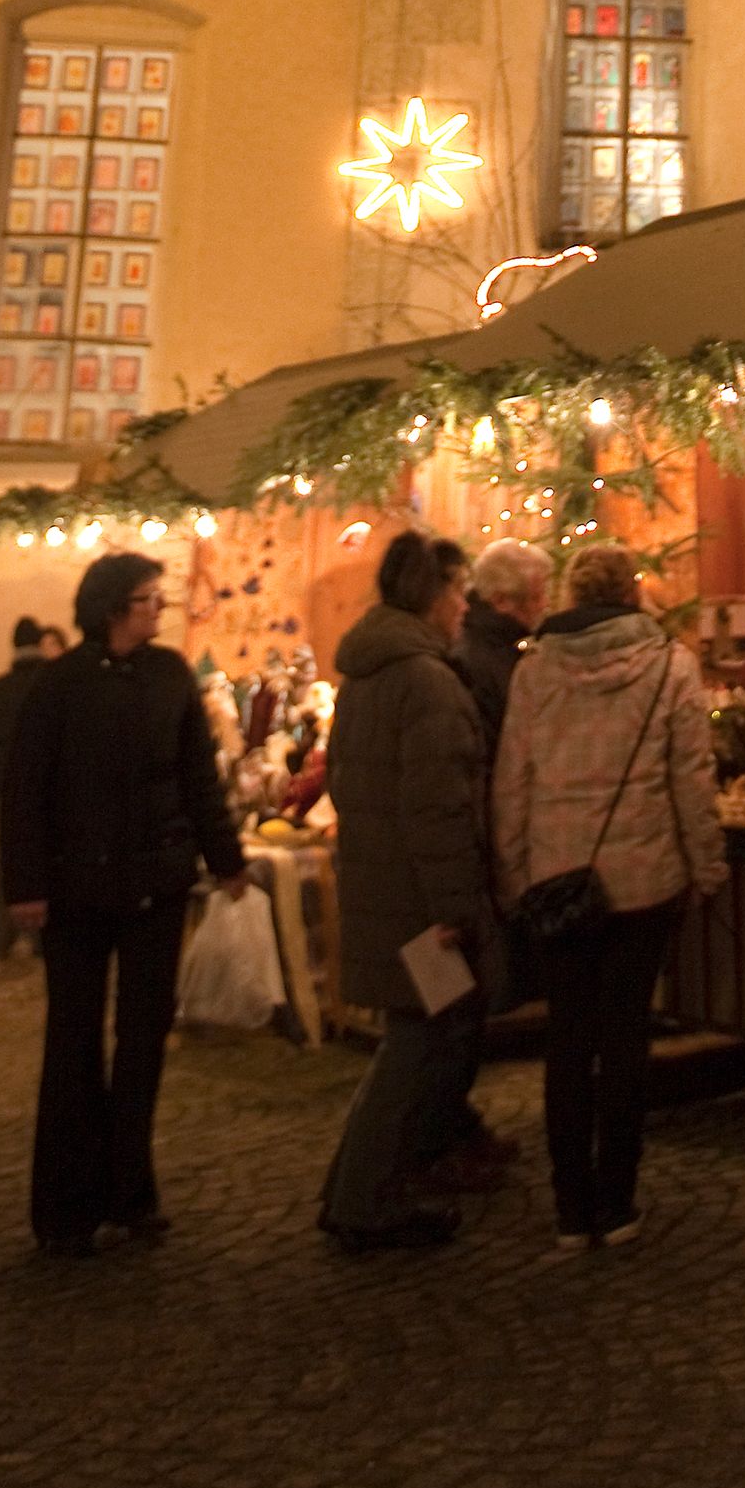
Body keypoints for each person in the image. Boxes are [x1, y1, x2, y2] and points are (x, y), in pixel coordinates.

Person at [2, 549, 245, 1258]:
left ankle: (131, 1191)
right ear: (113, 608)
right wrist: (27, 886)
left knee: (142, 1044)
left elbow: (197, 775)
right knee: (72, 1043)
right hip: (78, 890)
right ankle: (64, 1207)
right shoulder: (58, 686)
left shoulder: (169, 676)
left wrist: (223, 858)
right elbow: (27, 791)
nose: (158, 609)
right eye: (148, 599)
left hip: (156, 884)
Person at [492, 538, 725, 1251]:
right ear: (631, 594)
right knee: (623, 1040)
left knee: (568, 1039)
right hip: (643, 881)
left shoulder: (533, 674)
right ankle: (617, 1200)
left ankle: (570, 1206)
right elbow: (691, 779)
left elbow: (513, 780)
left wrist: (514, 872)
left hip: (558, 880)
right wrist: (705, 868)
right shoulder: (669, 668)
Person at [317, 531, 498, 1256]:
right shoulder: (425, 681)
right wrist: (456, 910)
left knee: (413, 1041)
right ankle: (361, 1199)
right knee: (415, 1047)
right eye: (459, 593)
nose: (464, 609)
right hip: (420, 906)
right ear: (434, 594)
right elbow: (439, 811)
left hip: (382, 887)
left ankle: (362, 1190)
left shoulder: (367, 674)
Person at [0, 618, 55, 958]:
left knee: (2, 864)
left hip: (2, 787)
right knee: (45, 859)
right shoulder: (53, 686)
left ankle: (2, 936)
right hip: (49, 790)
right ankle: (41, 939)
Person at [454, 542, 551, 754]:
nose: (544, 604)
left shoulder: (500, 645)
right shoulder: (476, 660)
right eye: (535, 597)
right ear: (500, 600)